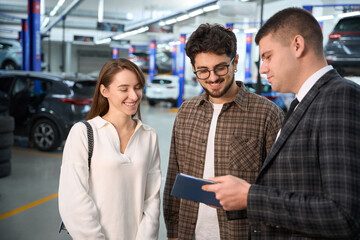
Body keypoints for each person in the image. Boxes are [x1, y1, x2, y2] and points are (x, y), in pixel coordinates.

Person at [203, 7, 360, 239]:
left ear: (297, 45)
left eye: (268, 56)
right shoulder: (301, 103)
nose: (263, 67)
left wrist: (250, 196)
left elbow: (344, 215)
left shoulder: (339, 97)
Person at [163, 23, 284, 240]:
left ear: (235, 61)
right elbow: (174, 175)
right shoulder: (186, 112)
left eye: (220, 67)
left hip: (241, 234)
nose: (212, 78)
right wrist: (173, 232)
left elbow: (279, 187)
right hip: (189, 233)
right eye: (202, 70)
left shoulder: (267, 114)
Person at [58, 58, 161, 239]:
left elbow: (152, 199)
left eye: (137, 87)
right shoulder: (83, 133)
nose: (134, 96)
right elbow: (73, 200)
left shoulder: (148, 136)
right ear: (104, 91)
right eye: (124, 89)